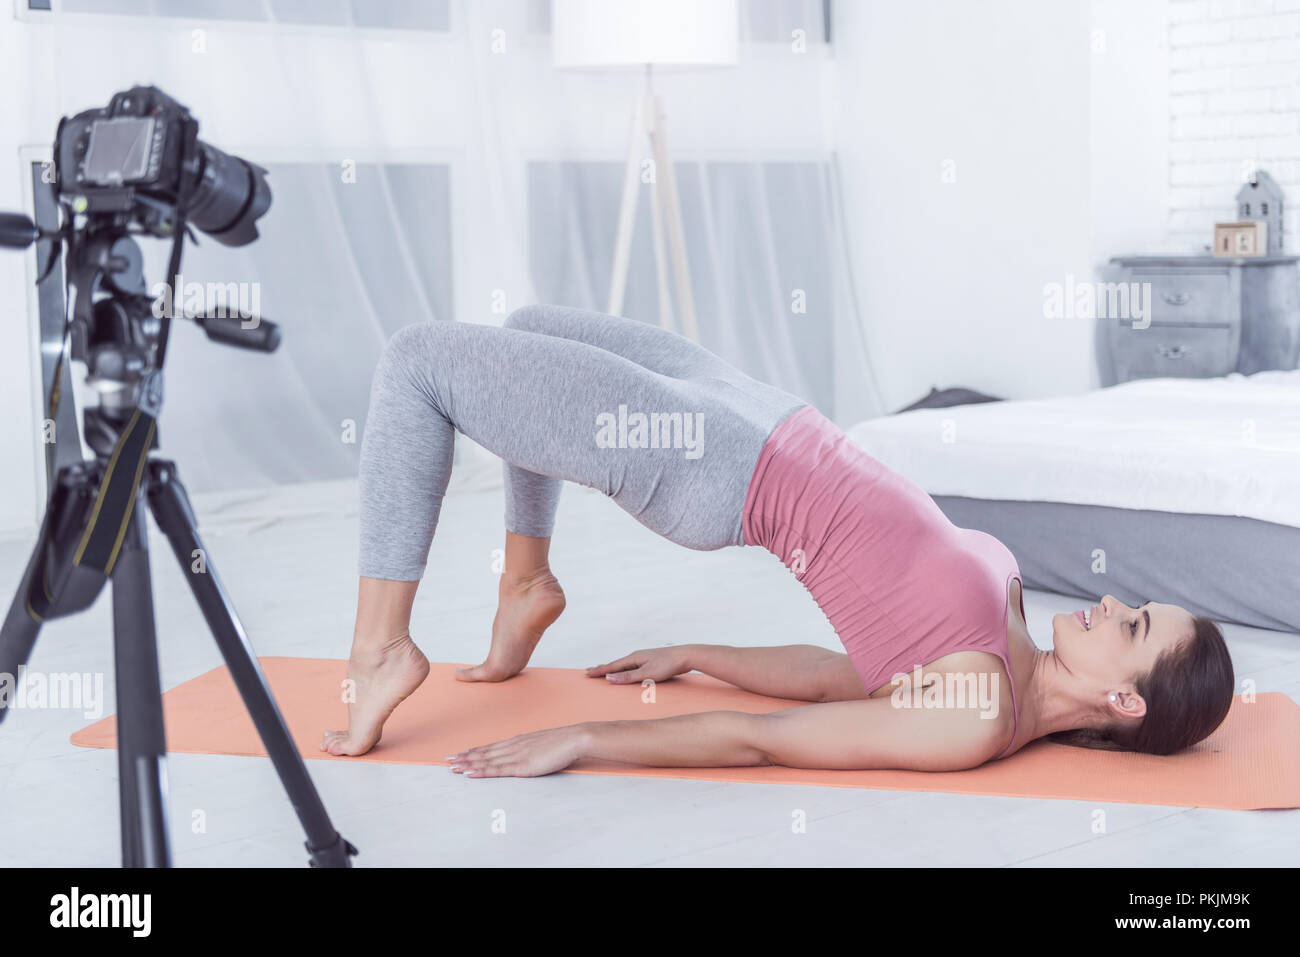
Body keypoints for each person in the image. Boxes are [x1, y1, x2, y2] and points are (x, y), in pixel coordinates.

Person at [320, 305, 1234, 777]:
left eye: (1136, 623)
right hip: (762, 411)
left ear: (1125, 699)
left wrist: (586, 738)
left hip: (716, 464)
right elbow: (851, 671)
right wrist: (697, 651)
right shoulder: (1016, 662)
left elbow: (768, 739)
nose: (1115, 604)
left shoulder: (973, 717)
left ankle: (383, 649)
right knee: (522, 331)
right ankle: (525, 583)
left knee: (418, 362)